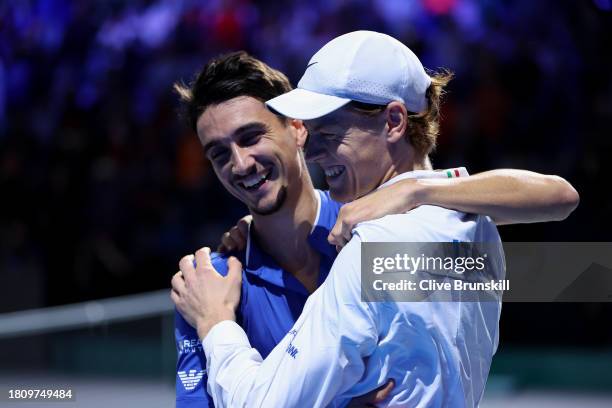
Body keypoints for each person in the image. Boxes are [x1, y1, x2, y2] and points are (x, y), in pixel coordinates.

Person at [171, 41, 579, 407]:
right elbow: (562, 215)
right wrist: (418, 191)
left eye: (328, 133)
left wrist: (215, 324)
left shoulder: (370, 244)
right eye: (219, 153)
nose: (240, 163)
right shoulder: (470, 225)